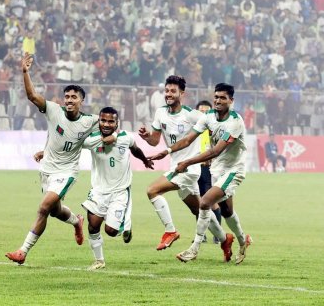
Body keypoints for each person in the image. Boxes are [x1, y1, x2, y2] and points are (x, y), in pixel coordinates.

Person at [5, 53, 115, 264]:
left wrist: (111, 138)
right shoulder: (54, 110)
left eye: (74, 97)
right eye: (67, 97)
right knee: (55, 211)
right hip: (47, 169)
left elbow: (111, 125)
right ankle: (76, 221)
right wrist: (25, 72)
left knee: (43, 208)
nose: (69, 100)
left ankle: (23, 251)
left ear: (82, 101)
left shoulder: (91, 121)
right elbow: (32, 96)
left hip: (66, 173)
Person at [34, 107, 154, 271]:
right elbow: (68, 147)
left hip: (120, 191)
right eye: (103, 120)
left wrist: (145, 160)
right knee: (92, 226)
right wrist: (45, 152)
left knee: (111, 231)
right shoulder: (90, 140)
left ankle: (126, 224)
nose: (106, 124)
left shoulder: (126, 137)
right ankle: (99, 261)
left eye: (111, 121)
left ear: (117, 123)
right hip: (98, 190)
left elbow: (136, 150)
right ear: (98, 122)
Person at [149, 83, 252, 265]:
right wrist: (166, 152)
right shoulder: (209, 116)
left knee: (204, 203)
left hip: (234, 170)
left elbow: (215, 151)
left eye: (223, 98)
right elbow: (188, 139)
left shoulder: (235, 122)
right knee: (227, 211)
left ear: (231, 101)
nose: (218, 101)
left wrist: (187, 162)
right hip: (217, 170)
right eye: (216, 97)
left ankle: (194, 248)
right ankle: (243, 241)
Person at [196, 100, 222, 245]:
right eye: (201, 111)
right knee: (198, 201)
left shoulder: (216, 128)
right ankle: (201, 235)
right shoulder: (194, 129)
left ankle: (217, 234)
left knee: (212, 202)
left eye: (207, 111)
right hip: (195, 168)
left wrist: (213, 158)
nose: (204, 114)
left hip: (210, 168)